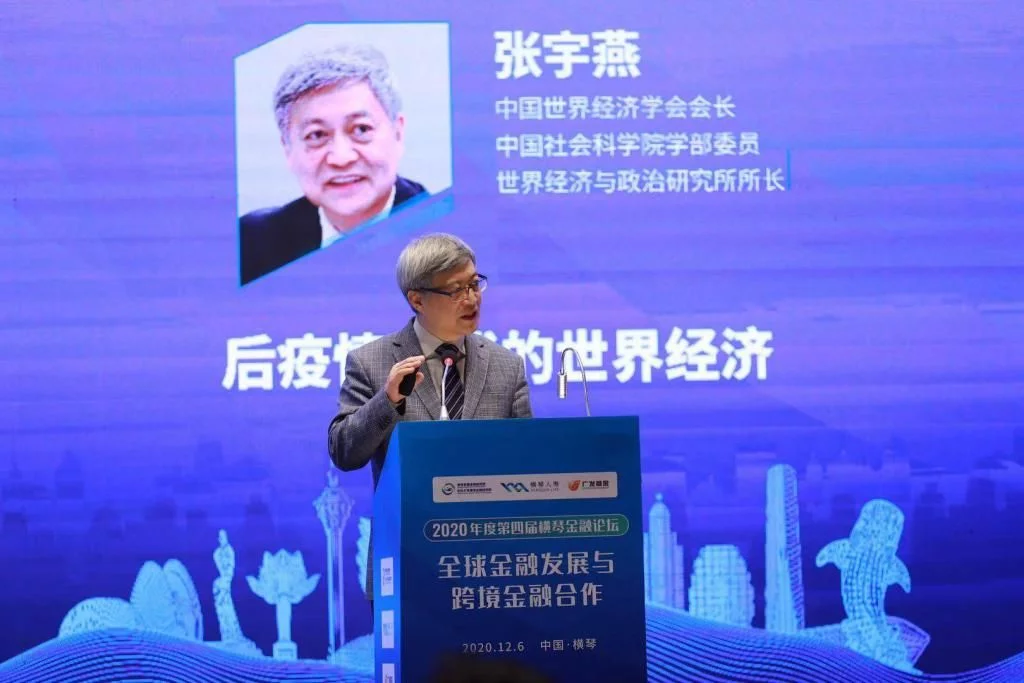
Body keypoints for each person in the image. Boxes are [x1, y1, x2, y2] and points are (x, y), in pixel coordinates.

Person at [327, 233, 532, 601]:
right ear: (417, 299)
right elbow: (344, 452)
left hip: (492, 567)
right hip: (405, 564)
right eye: (455, 290)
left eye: (474, 284)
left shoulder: (507, 366)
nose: (472, 298)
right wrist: (387, 400)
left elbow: (528, 462)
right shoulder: (371, 362)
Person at [240, 43, 428, 284]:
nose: (341, 158)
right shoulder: (252, 242)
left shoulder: (444, 234)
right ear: (287, 149)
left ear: (398, 133)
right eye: (317, 135)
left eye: (361, 129)